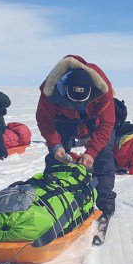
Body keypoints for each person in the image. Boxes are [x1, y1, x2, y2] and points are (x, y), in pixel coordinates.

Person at [36, 56, 117, 218]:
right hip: (64, 116)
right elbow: (44, 120)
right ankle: (51, 196)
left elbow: (107, 123)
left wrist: (92, 151)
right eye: (74, 99)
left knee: (104, 153)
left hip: (94, 116)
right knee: (57, 156)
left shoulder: (102, 88)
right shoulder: (50, 89)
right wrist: (55, 145)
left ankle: (105, 201)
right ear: (65, 88)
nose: (78, 102)